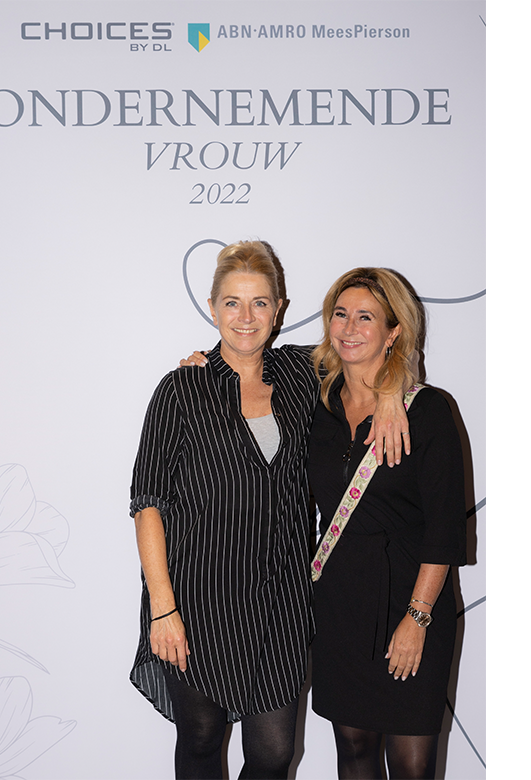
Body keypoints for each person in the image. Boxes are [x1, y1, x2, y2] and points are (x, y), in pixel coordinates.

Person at [130, 241, 409, 780]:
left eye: (259, 302)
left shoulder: (303, 375)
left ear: (279, 309)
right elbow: (148, 505)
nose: (246, 317)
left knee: (274, 754)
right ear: (212, 308)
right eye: (232, 303)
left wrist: (392, 392)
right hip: (197, 601)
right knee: (201, 740)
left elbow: (366, 355)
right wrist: (163, 609)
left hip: (281, 604)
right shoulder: (181, 390)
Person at [307, 268, 467, 780]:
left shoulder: (428, 411)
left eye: (366, 317)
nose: (349, 328)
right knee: (353, 753)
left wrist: (417, 618)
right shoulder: (314, 399)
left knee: (411, 766)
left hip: (410, 603)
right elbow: (248, 356)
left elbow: (444, 530)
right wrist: (199, 362)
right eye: (340, 314)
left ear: (393, 331)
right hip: (339, 605)